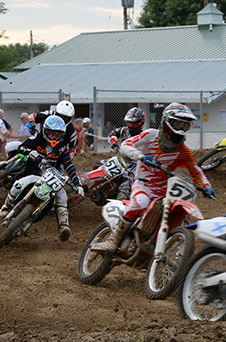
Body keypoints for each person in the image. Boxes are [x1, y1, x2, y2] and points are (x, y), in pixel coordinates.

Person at [92, 102, 215, 254]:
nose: (182, 129)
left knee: (176, 213)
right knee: (140, 203)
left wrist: (207, 186)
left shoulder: (183, 151)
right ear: (167, 121)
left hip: (165, 192)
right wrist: (141, 157)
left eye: (186, 126)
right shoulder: (151, 135)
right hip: (144, 185)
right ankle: (113, 240)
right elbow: (126, 144)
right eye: (179, 124)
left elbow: (196, 171)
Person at [0, 115, 84, 242]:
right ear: (45, 131)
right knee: (19, 184)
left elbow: (69, 166)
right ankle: (6, 206)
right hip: (33, 174)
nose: (54, 137)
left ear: (62, 135)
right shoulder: (37, 138)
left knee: (62, 195)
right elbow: (22, 147)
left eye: (58, 135)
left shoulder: (62, 148)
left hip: (50, 178)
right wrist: (31, 152)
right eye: (51, 134)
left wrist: (78, 184)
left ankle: (63, 226)